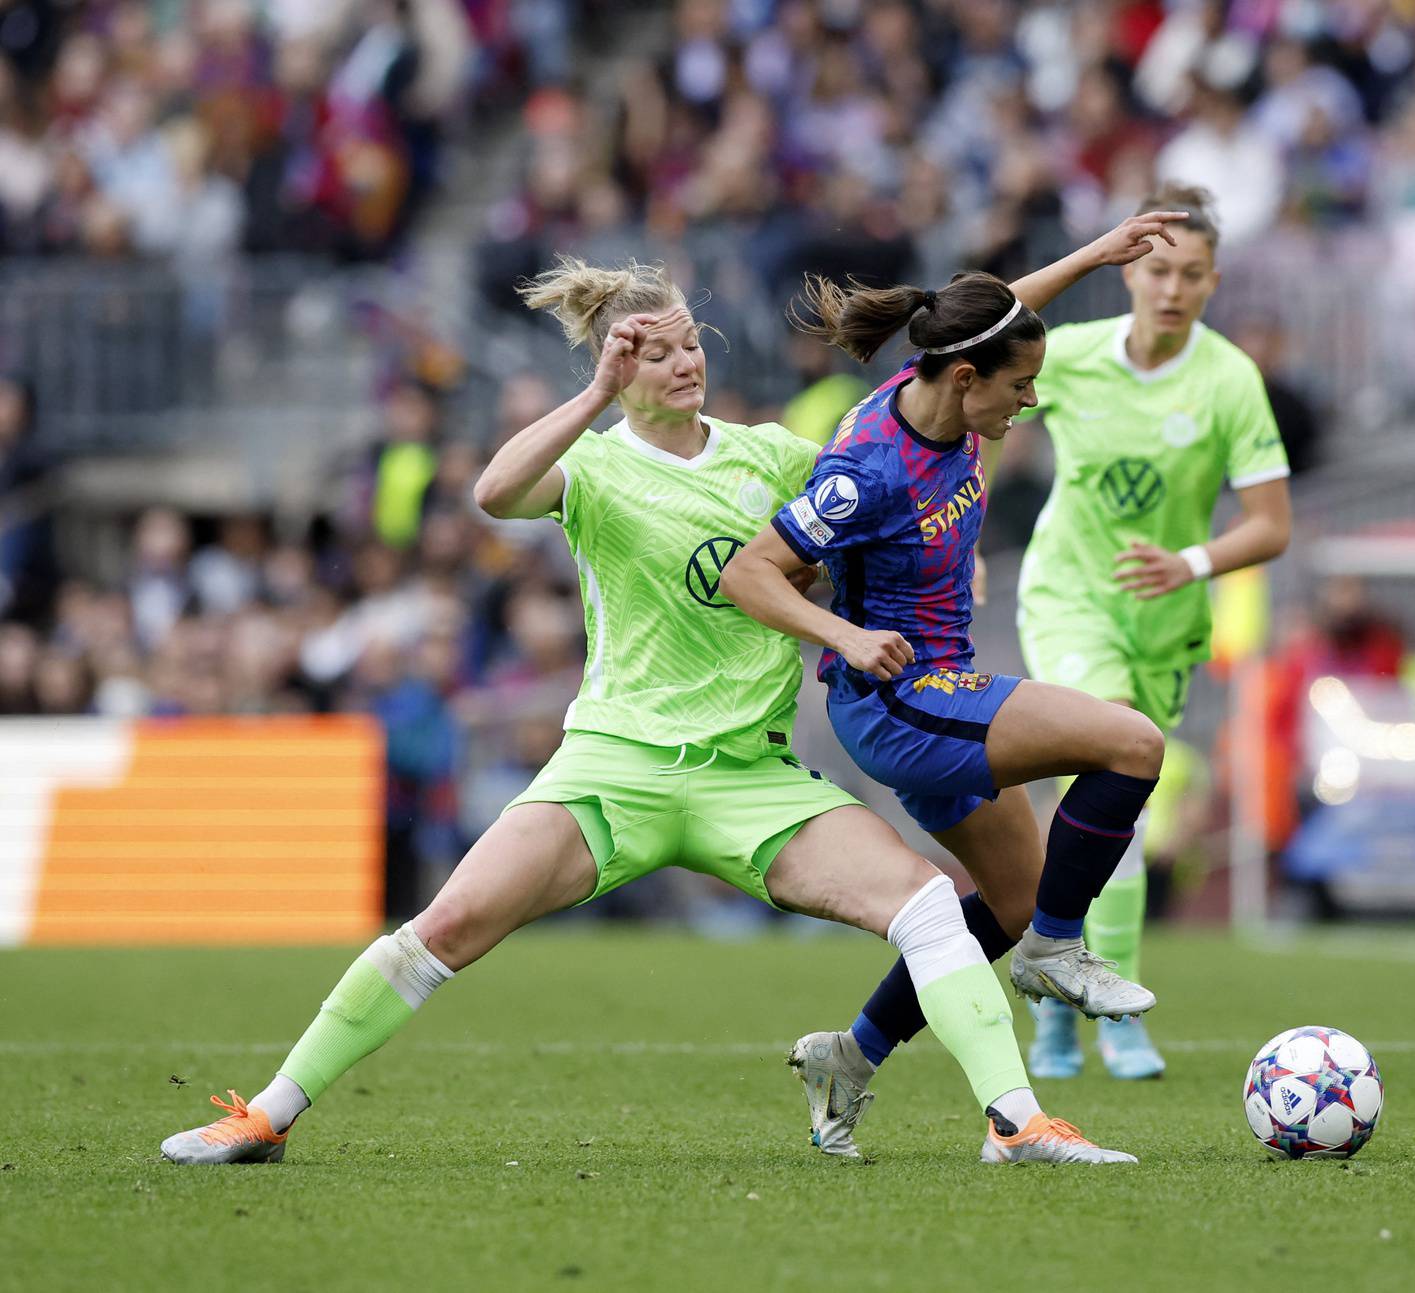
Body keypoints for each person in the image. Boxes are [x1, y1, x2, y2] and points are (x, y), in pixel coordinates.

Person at [160, 256, 1133, 1169]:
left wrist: (1073, 272)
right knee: (445, 925)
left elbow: (930, 385)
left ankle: (1016, 1121)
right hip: (613, 768)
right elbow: (494, 491)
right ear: (613, 366)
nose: (682, 363)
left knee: (930, 908)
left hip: (748, 778)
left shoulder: (777, 457)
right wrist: (591, 397)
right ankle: (268, 1115)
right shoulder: (592, 469)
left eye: (689, 344)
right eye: (652, 351)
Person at [721, 211, 1185, 1155]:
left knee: (1008, 902)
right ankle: (1058, 952)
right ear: (967, 380)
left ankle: (848, 1056)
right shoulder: (868, 470)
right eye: (1022, 389)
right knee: (1131, 743)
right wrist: (844, 633)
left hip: (943, 688)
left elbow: (1001, 316)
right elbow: (748, 572)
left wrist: (1095, 255)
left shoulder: (937, 377)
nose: (1030, 404)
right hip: (899, 702)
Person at [1012, 185, 1291, 1080]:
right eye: (1158, 268)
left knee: (1118, 812)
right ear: (1133, 271)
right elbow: (980, 332)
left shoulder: (1229, 379)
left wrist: (1193, 562)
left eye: (1192, 275)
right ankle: (1115, 1011)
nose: (1173, 288)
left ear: (1213, 283)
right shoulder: (1077, 355)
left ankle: (1057, 1010)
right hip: (1070, 598)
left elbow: (1270, 523)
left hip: (1166, 617)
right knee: (1115, 784)